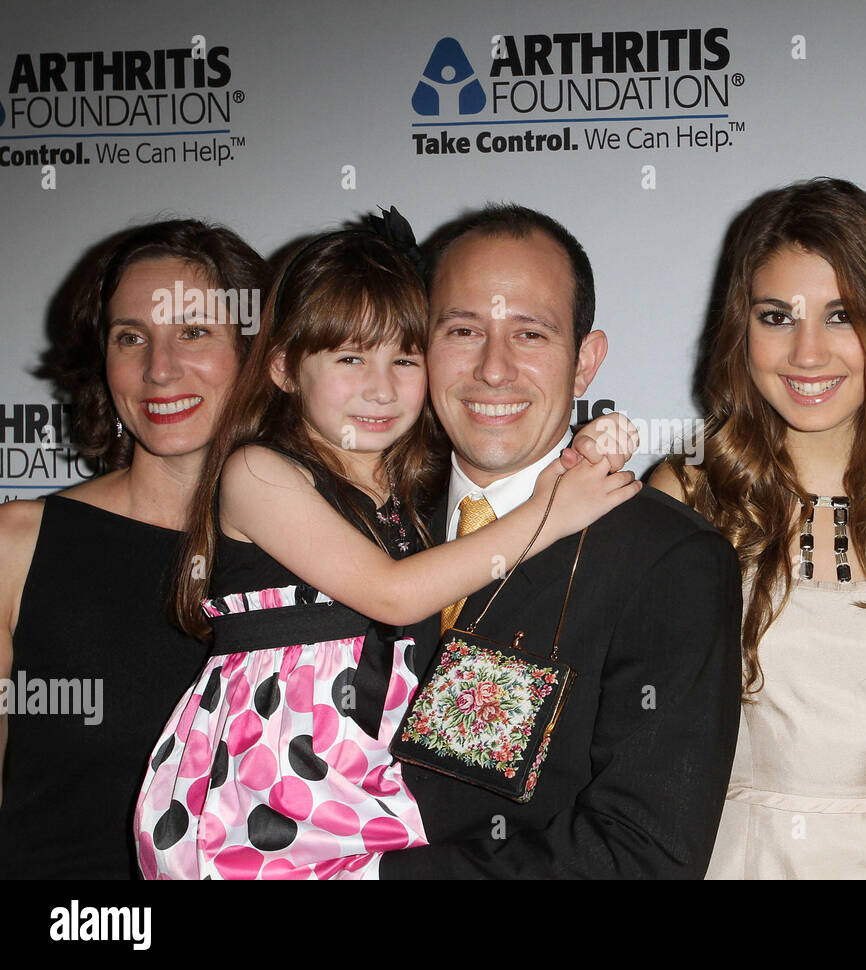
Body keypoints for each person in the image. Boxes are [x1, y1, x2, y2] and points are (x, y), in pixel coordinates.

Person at [133, 214, 639, 879]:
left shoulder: (408, 487)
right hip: (270, 784)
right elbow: (394, 596)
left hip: (361, 778)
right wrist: (553, 511)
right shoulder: (257, 473)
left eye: (403, 358)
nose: (380, 387)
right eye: (349, 358)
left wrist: (581, 455)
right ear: (284, 366)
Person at [379, 203, 743, 879]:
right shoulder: (363, 531)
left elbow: (643, 855)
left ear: (584, 364)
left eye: (531, 335)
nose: (494, 369)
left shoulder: (667, 561)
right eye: (462, 330)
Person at [650, 178, 866, 878]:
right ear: (741, 327)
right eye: (777, 317)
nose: (808, 353)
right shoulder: (688, 493)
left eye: (843, 315)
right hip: (736, 858)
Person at [0, 219, 268, 878]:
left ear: (259, 352)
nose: (159, 369)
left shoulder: (317, 563)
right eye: (131, 337)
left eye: (195, 332)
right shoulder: (20, 545)